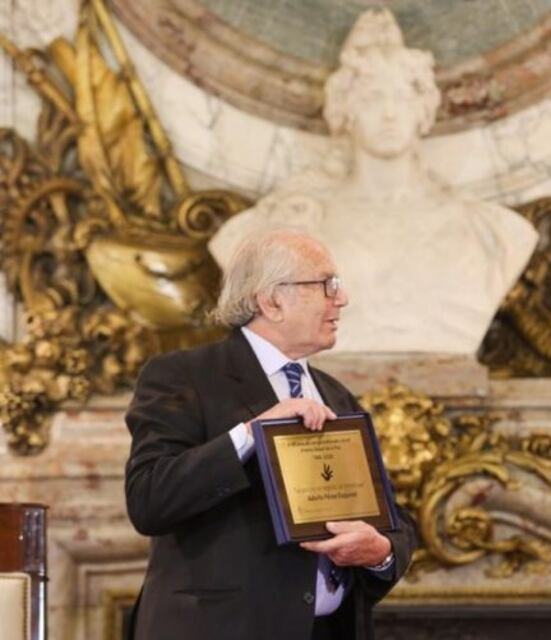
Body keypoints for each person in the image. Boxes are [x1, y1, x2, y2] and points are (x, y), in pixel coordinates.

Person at [124, 229, 417, 640]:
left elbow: (394, 518)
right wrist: (251, 434)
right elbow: (149, 499)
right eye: (325, 284)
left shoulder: (336, 395)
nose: (342, 298)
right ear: (272, 300)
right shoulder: (182, 376)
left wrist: (380, 552)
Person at [209, 9, 538, 354]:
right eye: (372, 98)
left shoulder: (491, 232)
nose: (389, 113)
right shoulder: (282, 224)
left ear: (424, 110)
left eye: (401, 97)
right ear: (345, 111)